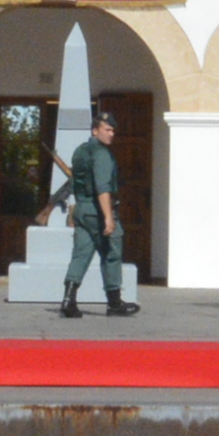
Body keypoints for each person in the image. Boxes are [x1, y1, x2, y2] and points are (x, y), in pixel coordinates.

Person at [56, 106, 136, 318]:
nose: (110, 134)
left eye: (112, 131)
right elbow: (102, 187)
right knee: (111, 253)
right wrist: (108, 217)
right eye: (106, 129)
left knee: (81, 254)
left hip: (82, 209)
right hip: (97, 211)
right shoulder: (101, 154)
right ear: (95, 130)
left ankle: (68, 299)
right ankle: (114, 303)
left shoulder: (80, 151)